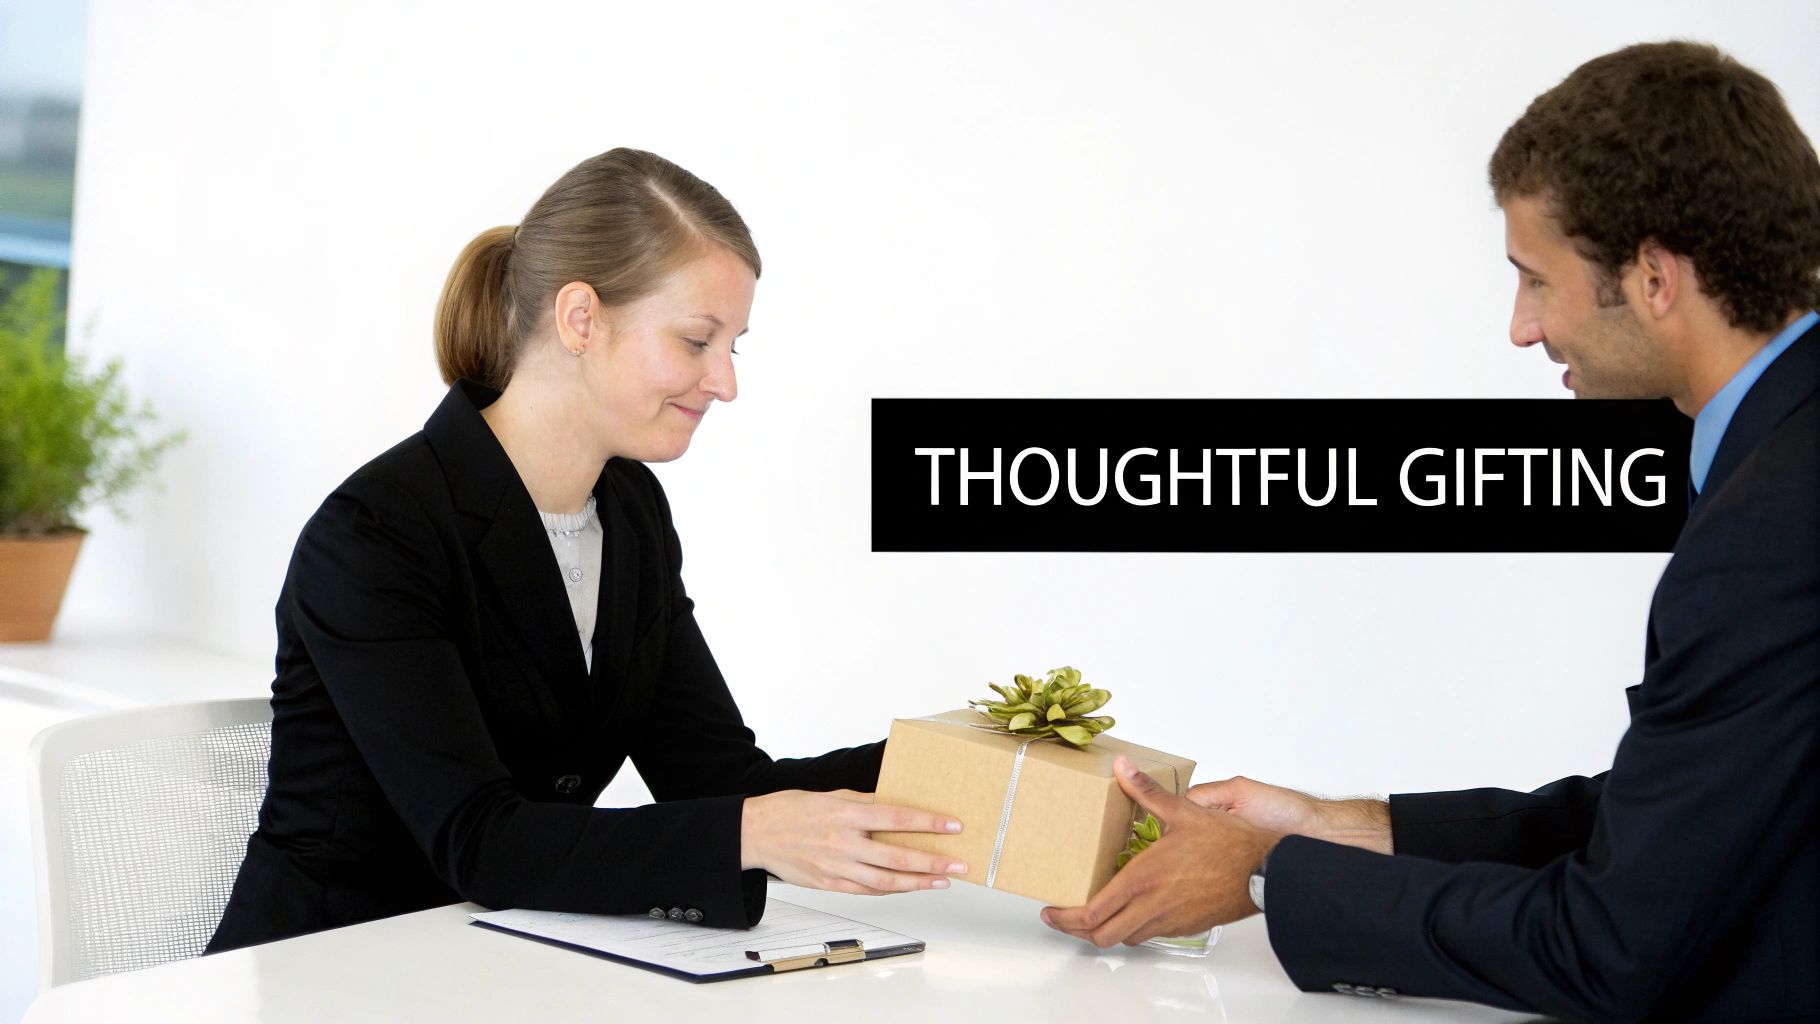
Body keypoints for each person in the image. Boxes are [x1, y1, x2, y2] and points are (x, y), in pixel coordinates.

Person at [1043, 42, 1820, 1022]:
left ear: (1653, 277)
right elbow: (1680, 813)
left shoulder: (1773, 522)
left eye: (1534, 279)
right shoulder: (1780, 455)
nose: (1519, 328)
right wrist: (1337, 827)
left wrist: (1268, 877)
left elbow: (1610, 941)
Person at [209, 148, 965, 953]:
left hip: (505, 963)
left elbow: (724, 786)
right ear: (581, 319)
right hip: (329, 969)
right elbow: (480, 840)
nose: (725, 383)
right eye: (696, 341)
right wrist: (748, 834)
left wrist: (963, 759)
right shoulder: (378, 533)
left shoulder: (630, 511)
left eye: (732, 347)